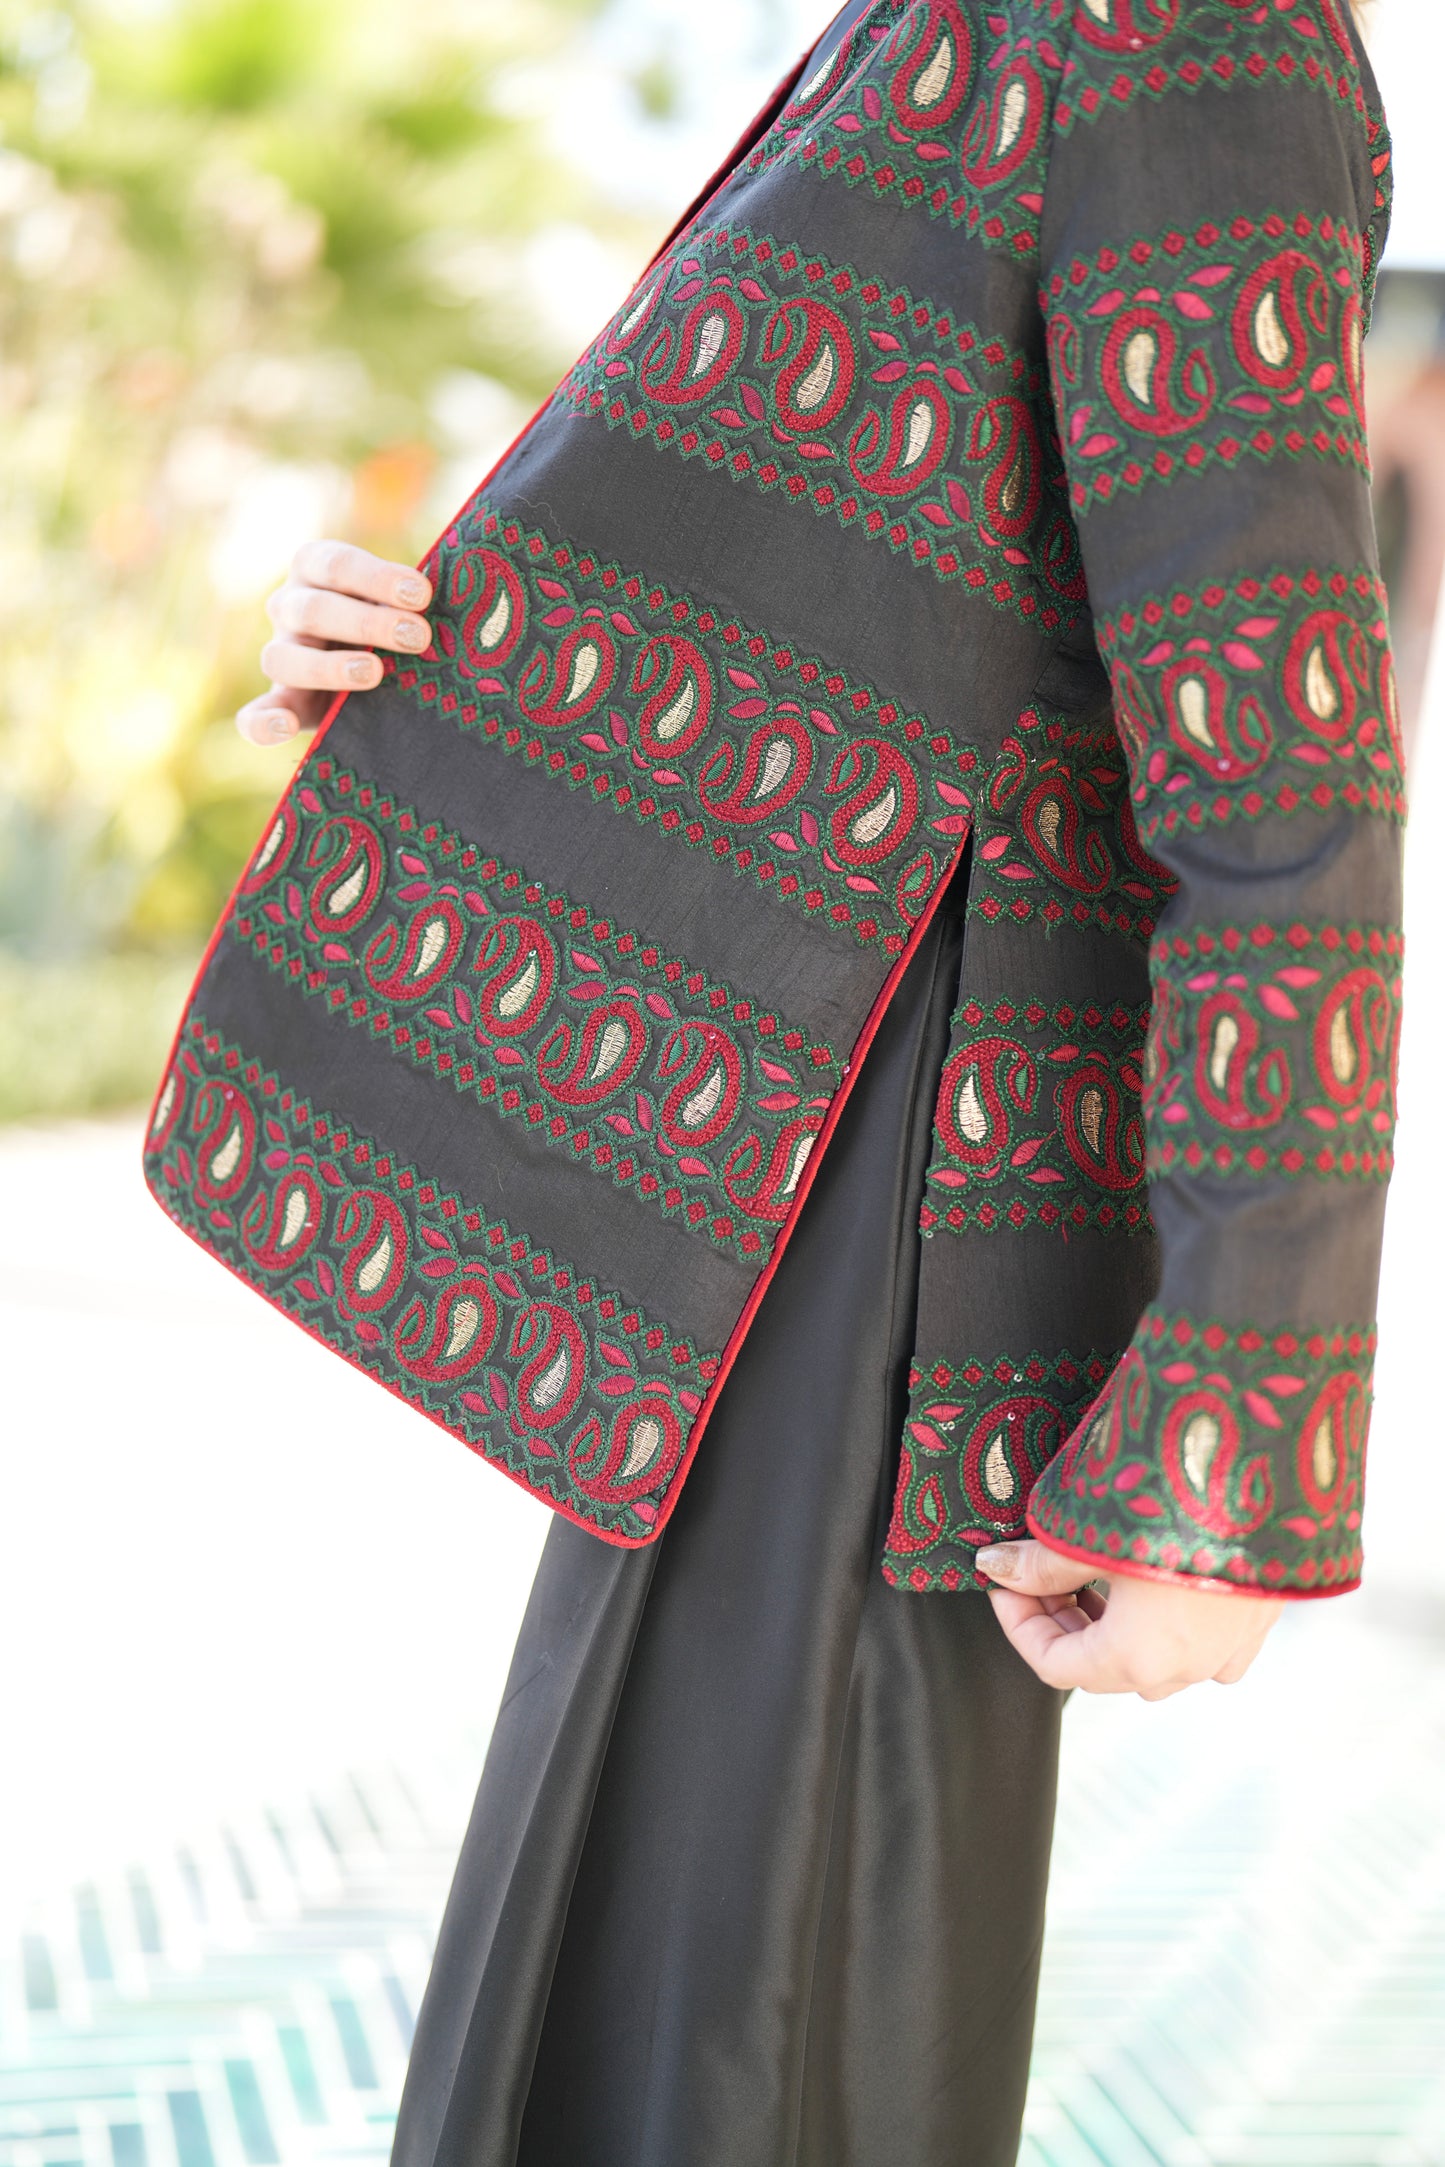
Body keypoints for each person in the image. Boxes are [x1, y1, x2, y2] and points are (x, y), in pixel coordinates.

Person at [216, 2, 1397, 2159]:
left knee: (758, 2052)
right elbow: (829, 611)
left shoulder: (1184, 26)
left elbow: (1279, 771)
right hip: (756, 1263)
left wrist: (1238, 1445)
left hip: (895, 1272)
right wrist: (419, 655)